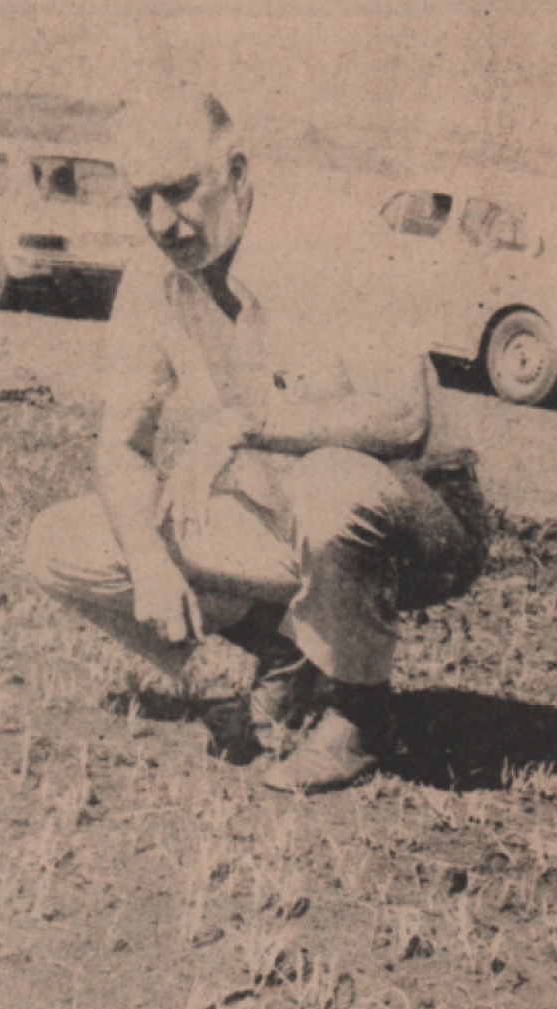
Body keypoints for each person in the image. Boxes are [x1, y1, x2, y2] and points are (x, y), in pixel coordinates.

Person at [25, 87, 488, 791]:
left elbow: (403, 418)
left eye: (180, 191)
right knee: (62, 542)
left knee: (330, 479)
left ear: (238, 172)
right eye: (140, 200)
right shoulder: (153, 281)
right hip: (284, 523)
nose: (162, 222)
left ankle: (361, 715)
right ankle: (281, 659)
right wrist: (149, 562)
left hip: (422, 521)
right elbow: (121, 446)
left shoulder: (330, 242)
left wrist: (247, 426)